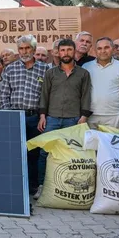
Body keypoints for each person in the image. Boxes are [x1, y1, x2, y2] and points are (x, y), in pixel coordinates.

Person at [37, 39, 92, 190]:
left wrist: (84, 116)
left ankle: (66, 188)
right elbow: (44, 95)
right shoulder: (50, 73)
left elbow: (86, 95)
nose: (66, 53)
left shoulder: (83, 73)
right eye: (62, 50)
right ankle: (42, 185)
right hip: (52, 118)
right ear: (58, 52)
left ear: (74, 51)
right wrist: (42, 116)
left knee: (72, 153)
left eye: (69, 50)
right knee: (45, 152)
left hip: (74, 119)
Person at [1, 35, 51, 194]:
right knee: (14, 153)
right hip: (15, 116)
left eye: (27, 48)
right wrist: (8, 116)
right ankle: (15, 186)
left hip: (35, 117)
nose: (24, 51)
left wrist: (43, 115)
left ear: (34, 49)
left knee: (34, 153)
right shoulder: (10, 69)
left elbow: (47, 95)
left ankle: (33, 186)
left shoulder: (45, 69)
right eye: (21, 48)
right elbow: (4, 95)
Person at [83, 37, 119, 130]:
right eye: (99, 48)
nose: (103, 51)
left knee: (112, 140)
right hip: (90, 115)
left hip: (113, 116)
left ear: (112, 49)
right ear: (95, 51)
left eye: (106, 47)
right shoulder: (86, 67)